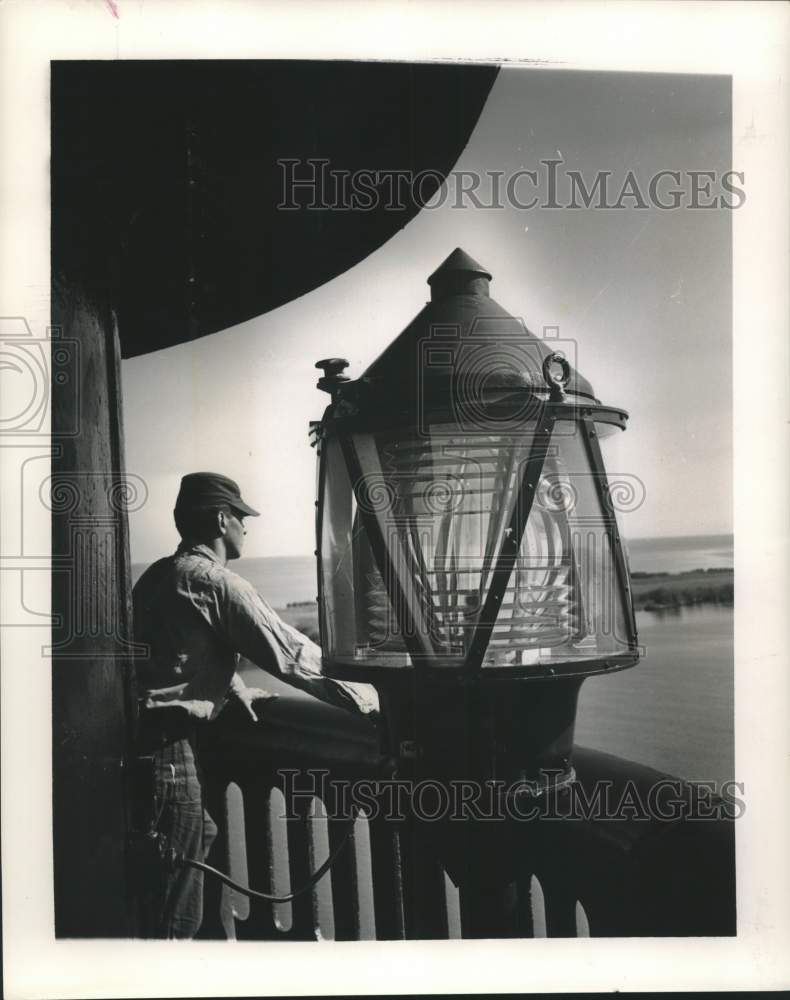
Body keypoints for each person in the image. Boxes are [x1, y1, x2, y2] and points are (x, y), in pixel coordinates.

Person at [132, 471, 377, 938]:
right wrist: (373, 702)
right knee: (174, 913)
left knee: (189, 847)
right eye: (242, 517)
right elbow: (295, 658)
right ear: (223, 520)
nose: (247, 526)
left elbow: (170, 655)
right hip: (172, 758)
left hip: (141, 751)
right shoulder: (220, 585)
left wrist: (231, 687)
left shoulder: (158, 576)